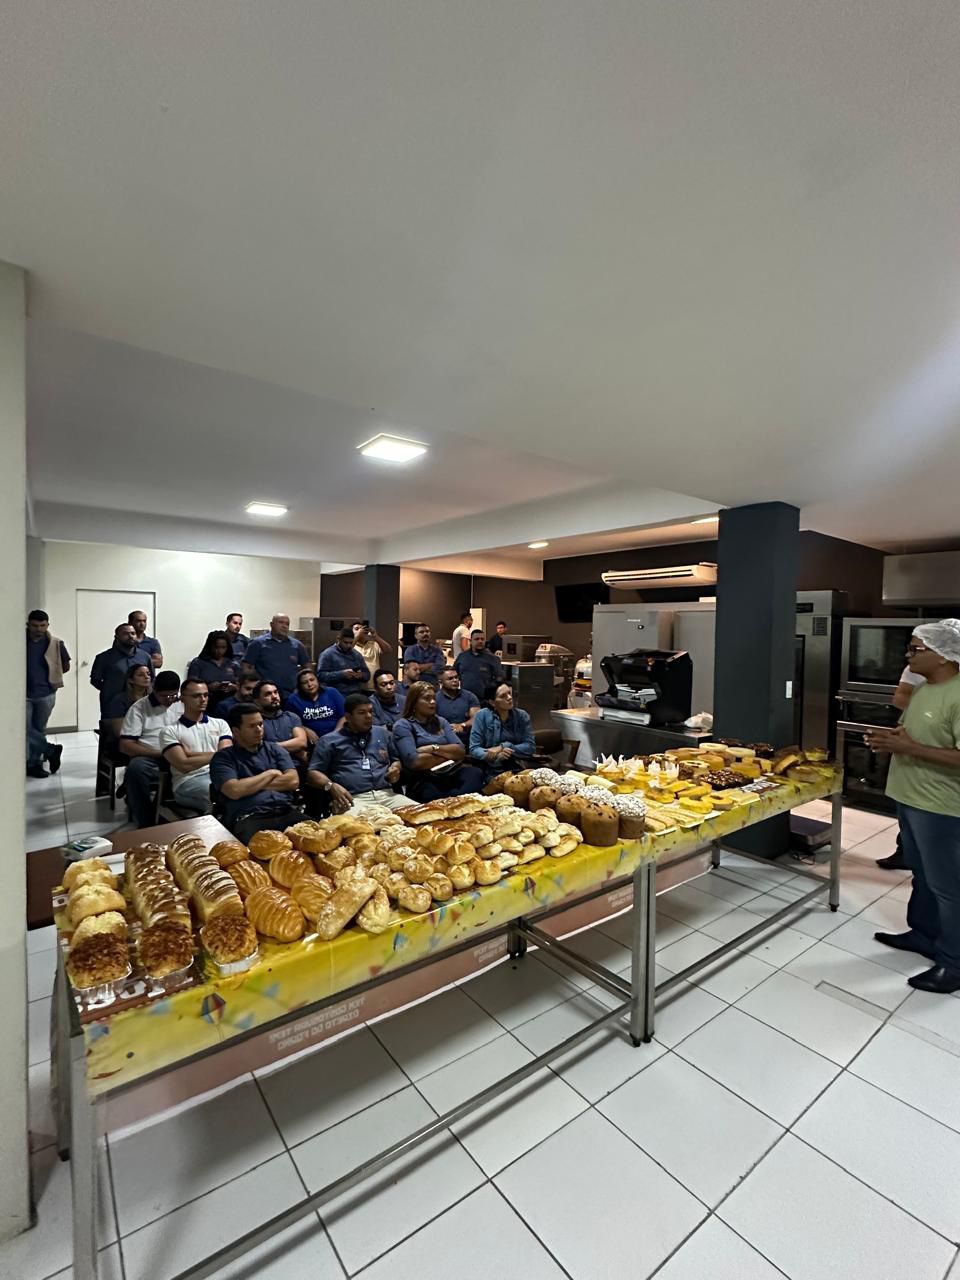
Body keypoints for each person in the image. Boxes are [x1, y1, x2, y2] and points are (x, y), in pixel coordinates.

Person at [865, 621, 960, 994]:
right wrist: (891, 739)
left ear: (944, 655)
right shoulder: (923, 690)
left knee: (948, 886)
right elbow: (910, 735)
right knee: (921, 874)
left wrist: (909, 748)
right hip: (909, 797)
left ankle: (953, 963)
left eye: (916, 649)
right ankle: (923, 934)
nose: (908, 655)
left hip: (941, 806)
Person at [307, 692, 415, 815]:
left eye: (370, 711)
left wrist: (395, 768)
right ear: (348, 717)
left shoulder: (382, 733)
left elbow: (395, 760)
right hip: (353, 799)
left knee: (422, 813)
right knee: (357, 825)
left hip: (387, 795)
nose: (368, 716)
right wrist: (330, 786)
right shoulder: (329, 741)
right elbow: (312, 773)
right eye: (362, 713)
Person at [211, 704, 303, 842]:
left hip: (286, 810)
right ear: (236, 731)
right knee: (264, 848)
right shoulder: (223, 758)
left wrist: (248, 785)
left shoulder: (275, 749)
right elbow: (234, 790)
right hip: (250, 817)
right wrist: (270, 774)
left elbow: (293, 781)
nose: (259, 730)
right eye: (252, 726)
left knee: (317, 839)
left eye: (260, 724)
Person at [393, 681, 484, 802]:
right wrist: (449, 755)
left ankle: (454, 800)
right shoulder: (403, 725)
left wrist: (433, 748)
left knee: (475, 773)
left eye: (433, 698)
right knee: (435, 793)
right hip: (424, 777)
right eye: (427, 698)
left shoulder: (441, 721)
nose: (432, 702)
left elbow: (461, 750)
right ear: (414, 702)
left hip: (450, 771)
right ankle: (455, 801)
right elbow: (415, 761)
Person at [877, 665, 927, 871]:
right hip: (913, 759)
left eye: (917, 649)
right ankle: (906, 852)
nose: (909, 655)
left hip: (944, 790)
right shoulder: (917, 671)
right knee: (908, 810)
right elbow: (899, 697)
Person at [118, 671, 183, 827]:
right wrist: (159, 753)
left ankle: (167, 810)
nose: (169, 700)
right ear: (154, 689)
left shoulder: (182, 703)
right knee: (136, 769)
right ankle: (145, 822)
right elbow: (125, 745)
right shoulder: (139, 708)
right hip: (152, 755)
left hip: (181, 753)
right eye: (164, 696)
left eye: (173, 695)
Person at [158, 680, 231, 812]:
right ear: (182, 698)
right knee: (218, 794)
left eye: (206, 695)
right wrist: (218, 754)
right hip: (189, 781)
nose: (203, 699)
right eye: (196, 696)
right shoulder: (169, 731)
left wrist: (191, 755)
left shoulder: (220, 724)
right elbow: (184, 765)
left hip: (220, 774)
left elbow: (227, 757)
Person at [26, 609, 70, 778]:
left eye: (42, 625)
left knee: (39, 729)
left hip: (45, 693)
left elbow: (65, 665)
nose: (38, 629)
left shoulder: (55, 643)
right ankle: (51, 750)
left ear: (47, 625)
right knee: (24, 729)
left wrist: (50, 677)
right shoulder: (18, 641)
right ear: (28, 625)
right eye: (35, 625)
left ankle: (34, 764)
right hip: (23, 694)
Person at [470, 681, 537, 776]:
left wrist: (504, 746)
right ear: (492, 702)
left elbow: (530, 746)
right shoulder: (482, 716)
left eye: (509, 693)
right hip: (491, 768)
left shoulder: (522, 716)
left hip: (518, 765)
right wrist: (496, 755)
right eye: (503, 696)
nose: (509, 698)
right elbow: (474, 749)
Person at [90, 623, 156, 717]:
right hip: (112, 706)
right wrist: (110, 689)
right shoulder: (103, 658)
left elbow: (152, 679)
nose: (130, 636)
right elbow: (95, 680)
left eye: (133, 633)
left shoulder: (145, 656)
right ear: (116, 637)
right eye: (125, 634)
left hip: (140, 704)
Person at [243, 614, 309, 697]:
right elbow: (247, 666)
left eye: (287, 624)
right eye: (281, 622)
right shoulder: (257, 643)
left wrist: (301, 686)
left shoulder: (297, 645)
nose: (284, 626)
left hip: (291, 693)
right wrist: (255, 685)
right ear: (272, 624)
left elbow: (307, 667)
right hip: (266, 694)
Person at [253, 681, 309, 758]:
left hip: (294, 763)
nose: (274, 696)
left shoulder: (291, 717)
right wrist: (291, 746)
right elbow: (257, 749)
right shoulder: (255, 721)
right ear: (257, 701)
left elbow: (301, 743)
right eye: (268, 694)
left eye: (275, 692)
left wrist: (269, 747)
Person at [286, 668, 345, 741]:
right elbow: (291, 723)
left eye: (312, 680)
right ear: (300, 686)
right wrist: (305, 730)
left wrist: (335, 734)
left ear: (317, 680)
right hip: (311, 741)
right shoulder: (293, 700)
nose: (310, 684)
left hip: (336, 737)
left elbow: (344, 716)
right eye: (304, 682)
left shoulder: (332, 692)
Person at [187, 630, 240, 711]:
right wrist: (208, 687)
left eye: (223, 648)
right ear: (210, 646)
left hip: (230, 705)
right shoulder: (198, 663)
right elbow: (190, 687)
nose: (220, 651)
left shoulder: (233, 664)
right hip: (206, 704)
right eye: (216, 647)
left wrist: (234, 687)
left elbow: (243, 685)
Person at [454, 629, 504, 700]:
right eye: (477, 639)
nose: (480, 641)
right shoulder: (462, 657)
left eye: (482, 639)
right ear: (470, 641)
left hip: (485, 700)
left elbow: (499, 678)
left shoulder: (493, 659)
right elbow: (454, 674)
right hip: (465, 698)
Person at [106, 663, 154, 736]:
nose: (146, 677)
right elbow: (119, 732)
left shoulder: (153, 697)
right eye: (140, 675)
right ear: (131, 680)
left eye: (148, 674)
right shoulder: (120, 700)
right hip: (131, 738)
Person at [318, 628, 370, 692]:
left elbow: (367, 674)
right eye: (345, 642)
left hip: (355, 692)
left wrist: (361, 675)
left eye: (351, 643)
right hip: (336, 692)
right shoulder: (327, 654)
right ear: (338, 639)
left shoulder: (357, 655)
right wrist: (341, 674)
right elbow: (321, 676)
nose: (348, 645)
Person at [436, 667, 480, 742]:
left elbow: (477, 718)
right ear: (440, 682)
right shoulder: (435, 698)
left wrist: (462, 725)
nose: (455, 680)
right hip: (444, 739)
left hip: (468, 738)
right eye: (450, 679)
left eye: (456, 677)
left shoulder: (469, 696)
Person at [352, 621, 392, 688]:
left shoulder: (373, 644)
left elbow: (388, 650)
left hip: (374, 685)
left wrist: (376, 636)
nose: (360, 631)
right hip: (358, 686)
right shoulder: (351, 646)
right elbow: (345, 652)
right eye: (357, 629)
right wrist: (356, 636)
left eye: (362, 628)